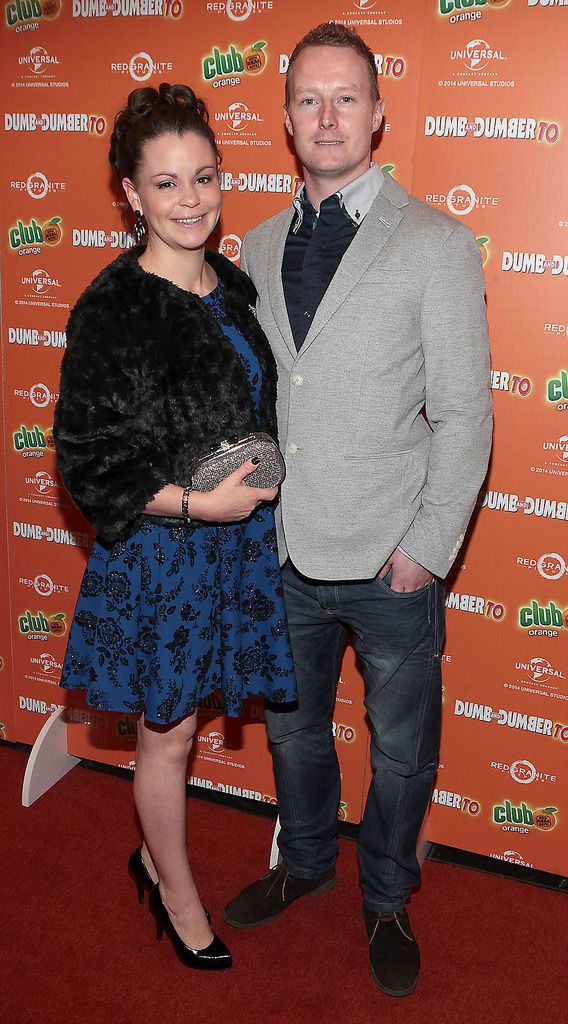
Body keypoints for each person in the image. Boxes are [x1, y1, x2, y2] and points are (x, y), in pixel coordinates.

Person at [223, 23, 492, 997]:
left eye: (345, 97)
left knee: (402, 749)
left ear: (378, 113)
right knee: (294, 735)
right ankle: (304, 863)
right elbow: (256, 397)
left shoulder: (435, 242)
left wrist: (426, 546)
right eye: (307, 99)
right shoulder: (251, 243)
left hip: (391, 560)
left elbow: (464, 413)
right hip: (284, 553)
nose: (326, 116)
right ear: (287, 119)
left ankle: (386, 893)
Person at [54, 82, 297, 972]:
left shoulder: (230, 286)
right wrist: (198, 504)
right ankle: (174, 889)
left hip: (232, 548)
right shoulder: (113, 308)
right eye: (165, 184)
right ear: (129, 193)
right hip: (163, 556)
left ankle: (161, 864)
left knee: (188, 729)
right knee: (168, 733)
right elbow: (90, 464)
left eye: (204, 177)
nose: (190, 200)